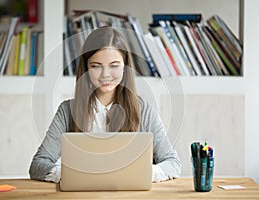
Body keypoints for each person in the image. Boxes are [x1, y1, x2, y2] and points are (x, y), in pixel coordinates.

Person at [29, 26, 181, 183]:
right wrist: (70, 174)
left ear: (125, 66)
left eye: (114, 65)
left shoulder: (143, 109)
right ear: (86, 68)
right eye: (96, 66)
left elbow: (172, 163)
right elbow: (38, 165)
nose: (105, 75)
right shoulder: (67, 110)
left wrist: (142, 173)